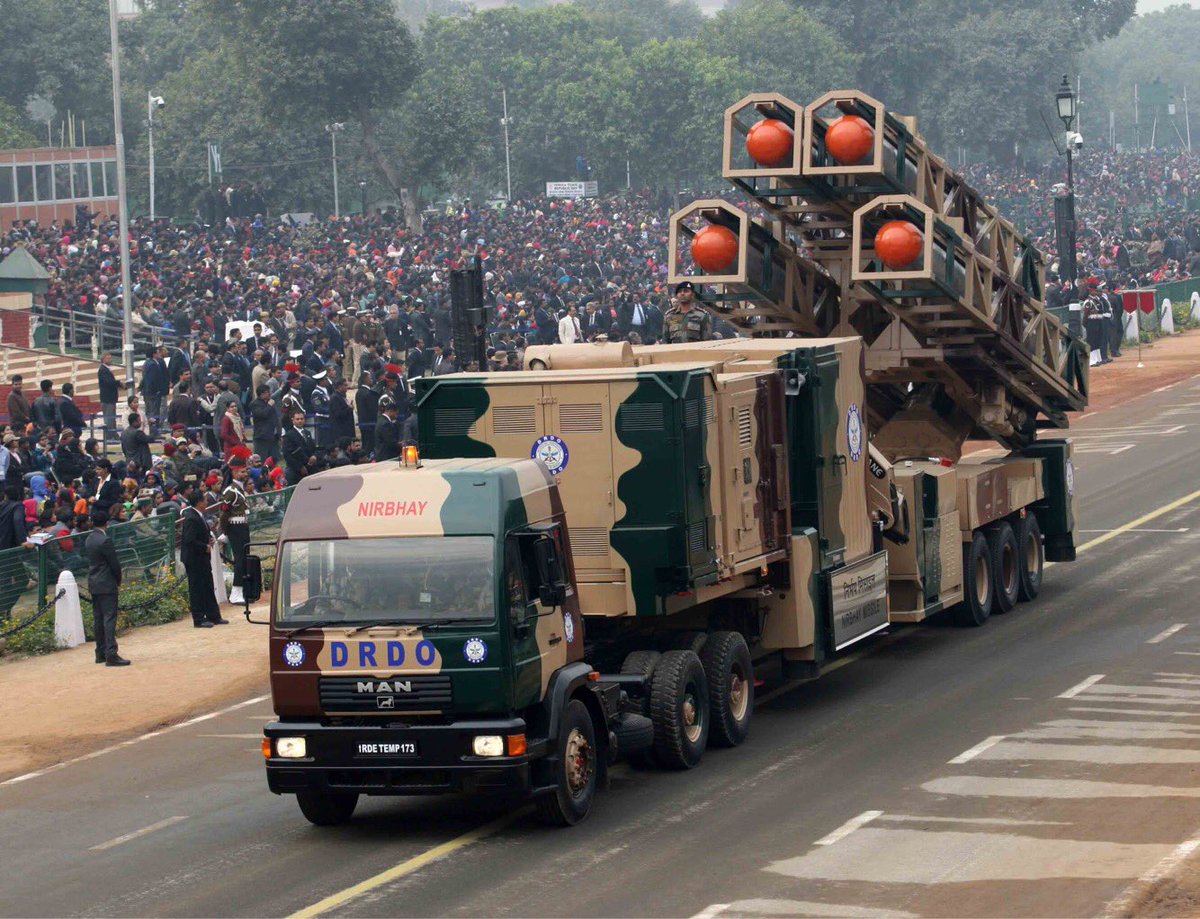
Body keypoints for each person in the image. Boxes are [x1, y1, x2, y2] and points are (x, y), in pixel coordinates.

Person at [86, 508, 129, 666]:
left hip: (94, 582)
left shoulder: (89, 538)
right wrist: (118, 579)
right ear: (106, 523)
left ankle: (100, 652)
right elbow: (114, 564)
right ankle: (111, 653)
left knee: (98, 618)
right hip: (106, 582)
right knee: (109, 618)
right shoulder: (105, 540)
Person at [180, 491, 225, 628]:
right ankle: (198, 618)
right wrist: (204, 546)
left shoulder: (198, 516)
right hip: (194, 559)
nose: (207, 503)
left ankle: (214, 615)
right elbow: (189, 540)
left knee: (208, 586)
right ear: (199, 502)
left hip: (202, 559)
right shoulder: (191, 518)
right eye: (205, 500)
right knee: (197, 588)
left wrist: (209, 540)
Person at [219, 451, 252, 604]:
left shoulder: (239, 489)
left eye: (246, 470)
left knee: (244, 560)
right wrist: (225, 532)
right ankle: (236, 593)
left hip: (242, 526)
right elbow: (224, 514)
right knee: (239, 560)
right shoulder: (230, 491)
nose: (246, 474)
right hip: (235, 528)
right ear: (234, 472)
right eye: (242, 471)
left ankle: (242, 591)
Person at [282, 410, 316, 485]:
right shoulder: (289, 435)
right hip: (295, 471)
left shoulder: (308, 433)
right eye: (297, 419)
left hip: (309, 469)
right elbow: (287, 455)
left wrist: (314, 456)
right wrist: (300, 467)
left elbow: (312, 448)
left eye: (301, 419)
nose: (300, 421)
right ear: (293, 420)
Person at [249, 384, 280, 464]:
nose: (269, 394)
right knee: (262, 460)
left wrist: (279, 433)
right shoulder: (255, 404)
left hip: (273, 437)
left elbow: (276, 418)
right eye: (267, 392)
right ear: (261, 394)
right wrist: (269, 405)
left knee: (274, 460)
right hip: (262, 437)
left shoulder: (271, 403)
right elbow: (263, 414)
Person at [97, 355, 120, 441]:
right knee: (109, 418)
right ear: (103, 360)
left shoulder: (107, 369)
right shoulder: (103, 370)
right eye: (108, 358)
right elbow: (109, 382)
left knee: (112, 418)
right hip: (107, 398)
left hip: (110, 398)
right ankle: (110, 436)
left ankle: (113, 435)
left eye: (111, 358)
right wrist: (119, 383)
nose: (111, 360)